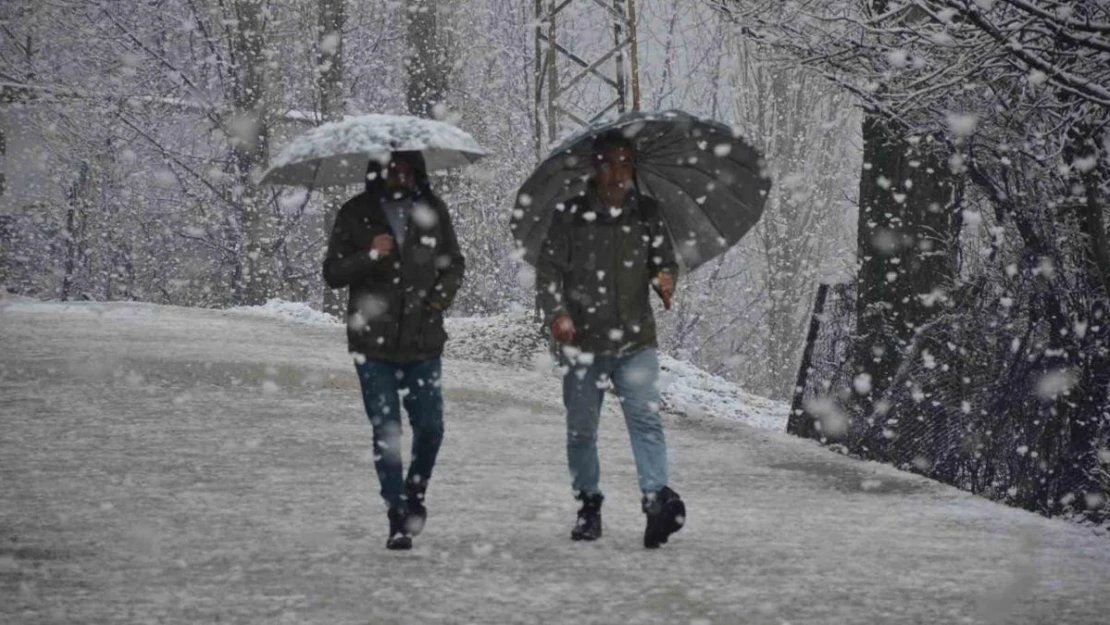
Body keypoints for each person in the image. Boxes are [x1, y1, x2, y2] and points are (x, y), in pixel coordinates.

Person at [535, 130, 686, 548]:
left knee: (646, 420)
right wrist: (558, 313)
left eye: (625, 163)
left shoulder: (647, 213)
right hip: (583, 344)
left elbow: (664, 260)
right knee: (582, 431)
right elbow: (548, 273)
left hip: (636, 339)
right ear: (595, 167)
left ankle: (656, 500)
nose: (618, 173)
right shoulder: (570, 215)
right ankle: (589, 505)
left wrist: (664, 279)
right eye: (609, 163)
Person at [323, 151, 465, 550]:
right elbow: (332, 273)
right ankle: (396, 514)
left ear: (417, 172)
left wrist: (439, 299)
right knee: (386, 431)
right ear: (378, 171)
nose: (399, 175)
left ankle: (415, 491)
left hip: (423, 340)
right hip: (373, 344)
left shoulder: (432, 210)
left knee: (431, 428)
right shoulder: (355, 213)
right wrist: (370, 254)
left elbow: (454, 264)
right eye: (392, 168)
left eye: (407, 168)